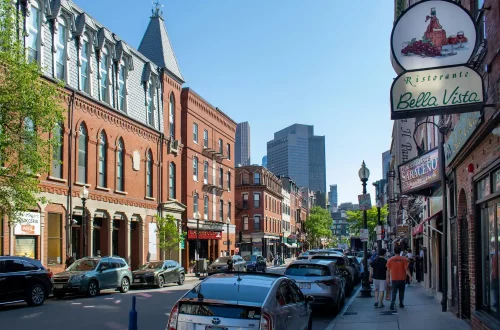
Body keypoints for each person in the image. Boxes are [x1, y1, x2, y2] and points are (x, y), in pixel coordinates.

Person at [386, 246, 412, 310]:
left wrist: (388, 278)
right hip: (402, 278)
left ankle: (392, 303)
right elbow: (406, 269)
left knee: (394, 291)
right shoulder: (404, 259)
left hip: (394, 279)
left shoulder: (390, 260)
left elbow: (388, 270)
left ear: (394, 251)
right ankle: (401, 303)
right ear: (400, 251)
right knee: (401, 292)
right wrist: (410, 276)